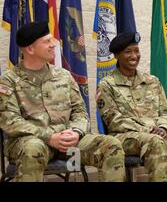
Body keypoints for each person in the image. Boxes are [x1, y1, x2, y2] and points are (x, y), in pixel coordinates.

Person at [0, 21, 126, 182]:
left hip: (68, 140)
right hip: (31, 141)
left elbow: (80, 111)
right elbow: (11, 122)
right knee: (33, 148)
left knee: (111, 145)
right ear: (30, 49)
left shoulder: (64, 75)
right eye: (47, 41)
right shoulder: (9, 80)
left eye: (52, 39)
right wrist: (49, 137)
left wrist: (76, 132)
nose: (54, 44)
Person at [97, 32, 167, 182]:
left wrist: (163, 127)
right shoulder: (106, 85)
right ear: (117, 56)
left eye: (136, 50)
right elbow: (115, 121)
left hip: (159, 132)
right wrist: (149, 129)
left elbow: (166, 112)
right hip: (125, 137)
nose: (134, 56)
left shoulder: (152, 81)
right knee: (155, 142)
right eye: (128, 52)